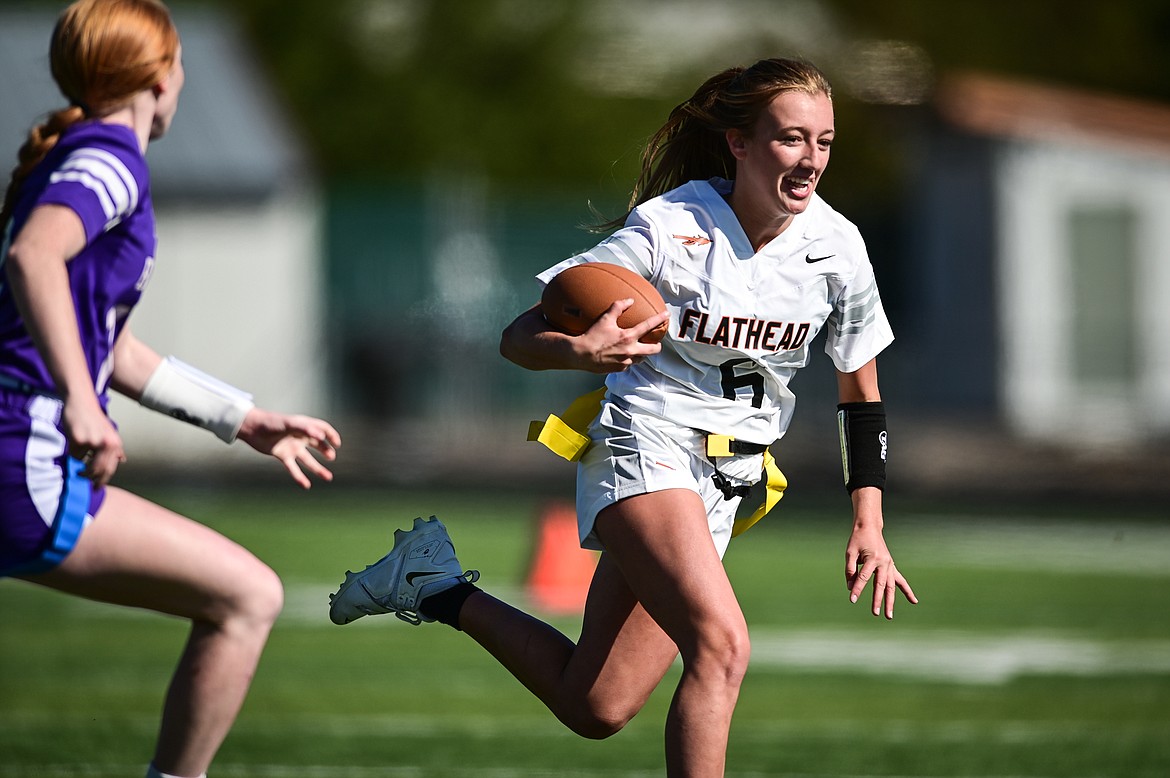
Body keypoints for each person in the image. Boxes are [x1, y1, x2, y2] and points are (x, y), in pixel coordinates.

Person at [329, 57, 915, 776]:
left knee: (596, 705)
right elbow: (518, 337)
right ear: (738, 143)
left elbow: (861, 395)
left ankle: (433, 586)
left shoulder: (839, 248)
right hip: (647, 441)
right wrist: (580, 348)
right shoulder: (672, 226)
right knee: (723, 645)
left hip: (731, 475)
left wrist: (870, 519)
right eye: (791, 139)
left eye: (824, 142)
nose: (811, 159)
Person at [0, 2, 341, 777]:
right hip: (26, 455)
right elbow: (33, 257)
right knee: (247, 597)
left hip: (17, 443)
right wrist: (82, 406)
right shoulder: (110, 160)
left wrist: (241, 419)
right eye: (180, 61)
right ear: (160, 74)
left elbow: (107, 344)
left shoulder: (82, 155)